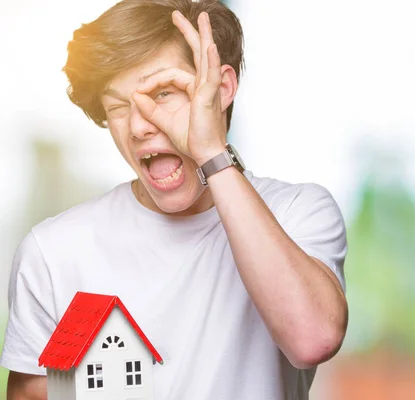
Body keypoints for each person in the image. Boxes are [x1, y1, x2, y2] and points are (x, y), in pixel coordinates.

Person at [0, 0, 348, 398]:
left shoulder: (297, 212)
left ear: (223, 88)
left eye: (163, 93)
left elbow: (313, 340)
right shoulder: (53, 251)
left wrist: (212, 154)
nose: (137, 125)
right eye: (118, 106)